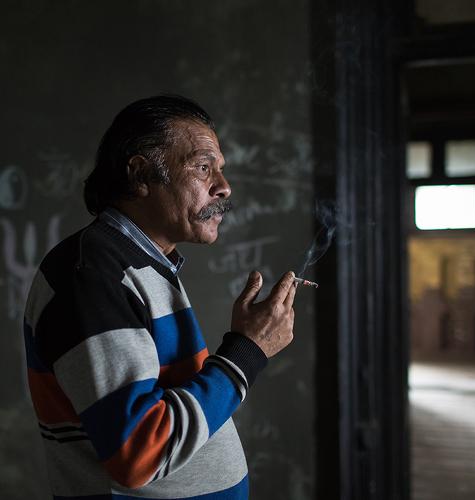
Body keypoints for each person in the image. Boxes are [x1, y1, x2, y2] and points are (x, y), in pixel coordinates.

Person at [23, 94, 296, 500]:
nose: (224, 187)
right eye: (203, 168)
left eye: (220, 169)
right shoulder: (94, 276)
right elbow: (137, 453)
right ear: (140, 175)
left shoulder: (143, 264)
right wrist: (247, 351)